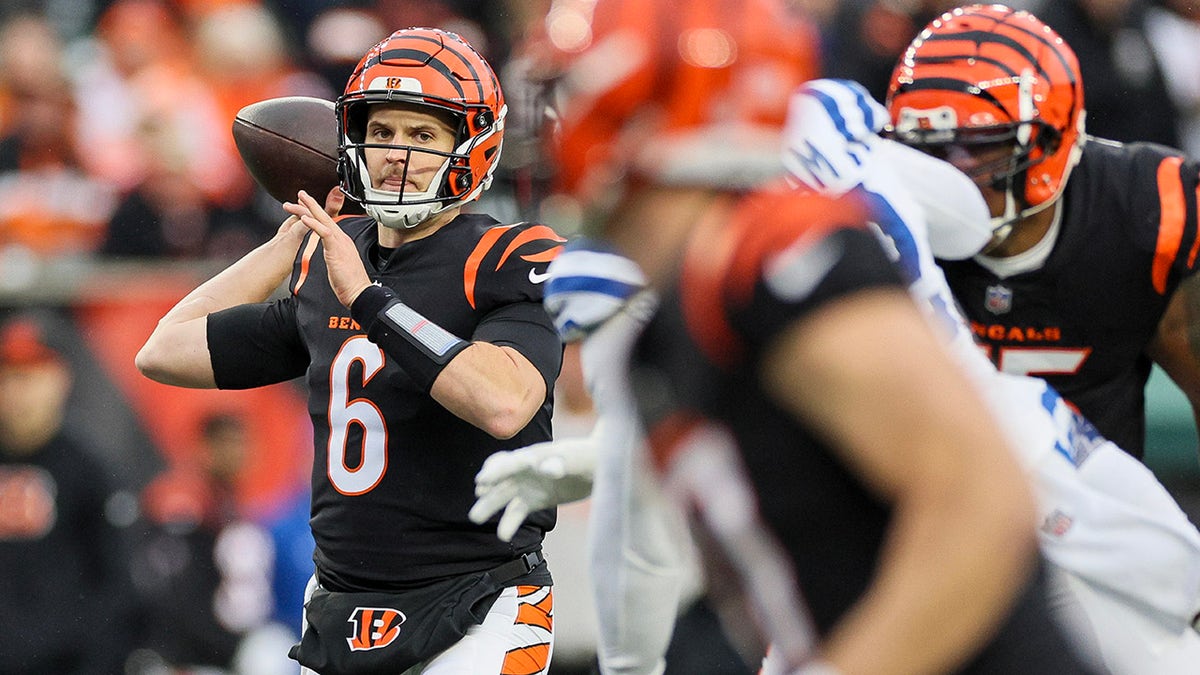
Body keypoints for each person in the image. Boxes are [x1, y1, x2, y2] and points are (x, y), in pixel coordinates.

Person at [478, 0, 1096, 672]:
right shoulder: (667, 306)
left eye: (574, 89)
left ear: (664, 100)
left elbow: (981, 503)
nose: (555, 124)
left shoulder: (772, 253)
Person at [136, 26, 566, 675]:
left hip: (481, 602)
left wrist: (370, 301)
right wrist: (285, 245)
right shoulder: (330, 265)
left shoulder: (505, 256)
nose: (397, 153)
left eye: (423, 135)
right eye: (383, 131)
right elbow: (164, 350)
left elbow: (504, 402)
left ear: (473, 144)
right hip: (343, 607)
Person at [885, 3, 1200, 460]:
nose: (952, 176)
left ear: (1052, 139)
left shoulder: (1148, 210)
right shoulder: (876, 222)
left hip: (1100, 513)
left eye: (978, 148)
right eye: (929, 151)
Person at [0, 312, 139, 674]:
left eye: (32, 376)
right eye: (10, 376)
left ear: (61, 379)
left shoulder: (90, 469)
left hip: (64, 663)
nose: (19, 390)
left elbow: (118, 587)